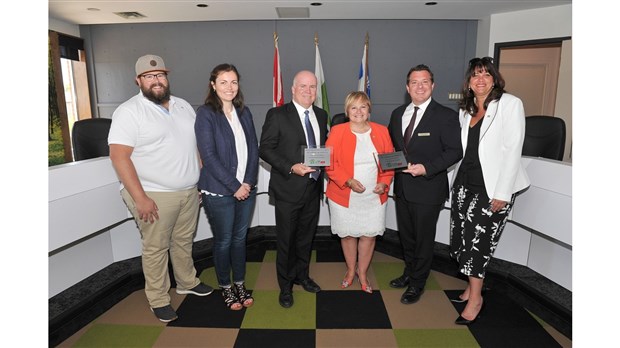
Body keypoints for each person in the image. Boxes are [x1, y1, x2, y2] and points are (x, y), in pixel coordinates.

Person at [108, 54, 214, 323]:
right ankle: (158, 299)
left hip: (189, 191)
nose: (156, 80)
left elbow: (194, 146)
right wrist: (140, 198)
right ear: (138, 80)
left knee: (182, 241)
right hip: (152, 194)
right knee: (155, 248)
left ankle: (187, 281)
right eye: (149, 76)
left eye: (160, 75)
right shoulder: (129, 111)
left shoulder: (182, 106)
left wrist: (198, 181)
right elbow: (119, 157)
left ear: (167, 77)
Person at [449, 57, 530, 325]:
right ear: (469, 83)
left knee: (477, 246)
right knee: (461, 240)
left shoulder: (509, 104)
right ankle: (471, 289)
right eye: (475, 75)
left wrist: (503, 193)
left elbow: (512, 150)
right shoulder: (466, 110)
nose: (480, 79)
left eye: (486, 74)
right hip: (464, 184)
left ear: (494, 79)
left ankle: (476, 299)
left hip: (492, 188)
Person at [387, 64, 462, 305]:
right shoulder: (398, 114)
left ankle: (418, 283)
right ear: (407, 87)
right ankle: (409, 272)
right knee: (407, 237)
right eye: (415, 82)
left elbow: (454, 151)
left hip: (429, 188)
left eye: (425, 82)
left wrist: (426, 168)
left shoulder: (446, 115)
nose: (420, 86)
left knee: (423, 239)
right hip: (402, 188)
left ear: (433, 85)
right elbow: (393, 149)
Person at [259, 70, 328, 308]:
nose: (308, 91)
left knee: (306, 238)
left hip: (313, 188)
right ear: (292, 89)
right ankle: (285, 286)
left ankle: (303, 276)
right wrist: (291, 167)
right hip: (288, 189)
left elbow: (322, 148)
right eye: (303, 86)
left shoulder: (321, 114)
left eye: (312, 87)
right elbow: (265, 149)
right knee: (286, 241)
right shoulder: (277, 115)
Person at [195, 63, 259, 311]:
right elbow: (209, 157)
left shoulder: (244, 112)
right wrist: (235, 186)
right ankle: (226, 287)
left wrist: (249, 182)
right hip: (220, 191)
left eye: (233, 82)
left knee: (240, 239)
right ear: (213, 85)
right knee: (224, 241)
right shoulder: (205, 114)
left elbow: (254, 148)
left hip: (246, 188)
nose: (229, 87)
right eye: (223, 82)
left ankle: (240, 284)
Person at [325, 91, 394, 294]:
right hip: (343, 195)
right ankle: (350, 270)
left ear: (369, 109)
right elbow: (329, 164)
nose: (358, 111)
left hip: (374, 196)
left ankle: (362, 273)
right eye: (353, 107)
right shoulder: (337, 131)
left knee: (368, 235)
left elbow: (389, 162)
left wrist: (384, 182)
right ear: (347, 111)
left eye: (363, 106)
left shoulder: (382, 131)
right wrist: (347, 181)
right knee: (347, 235)